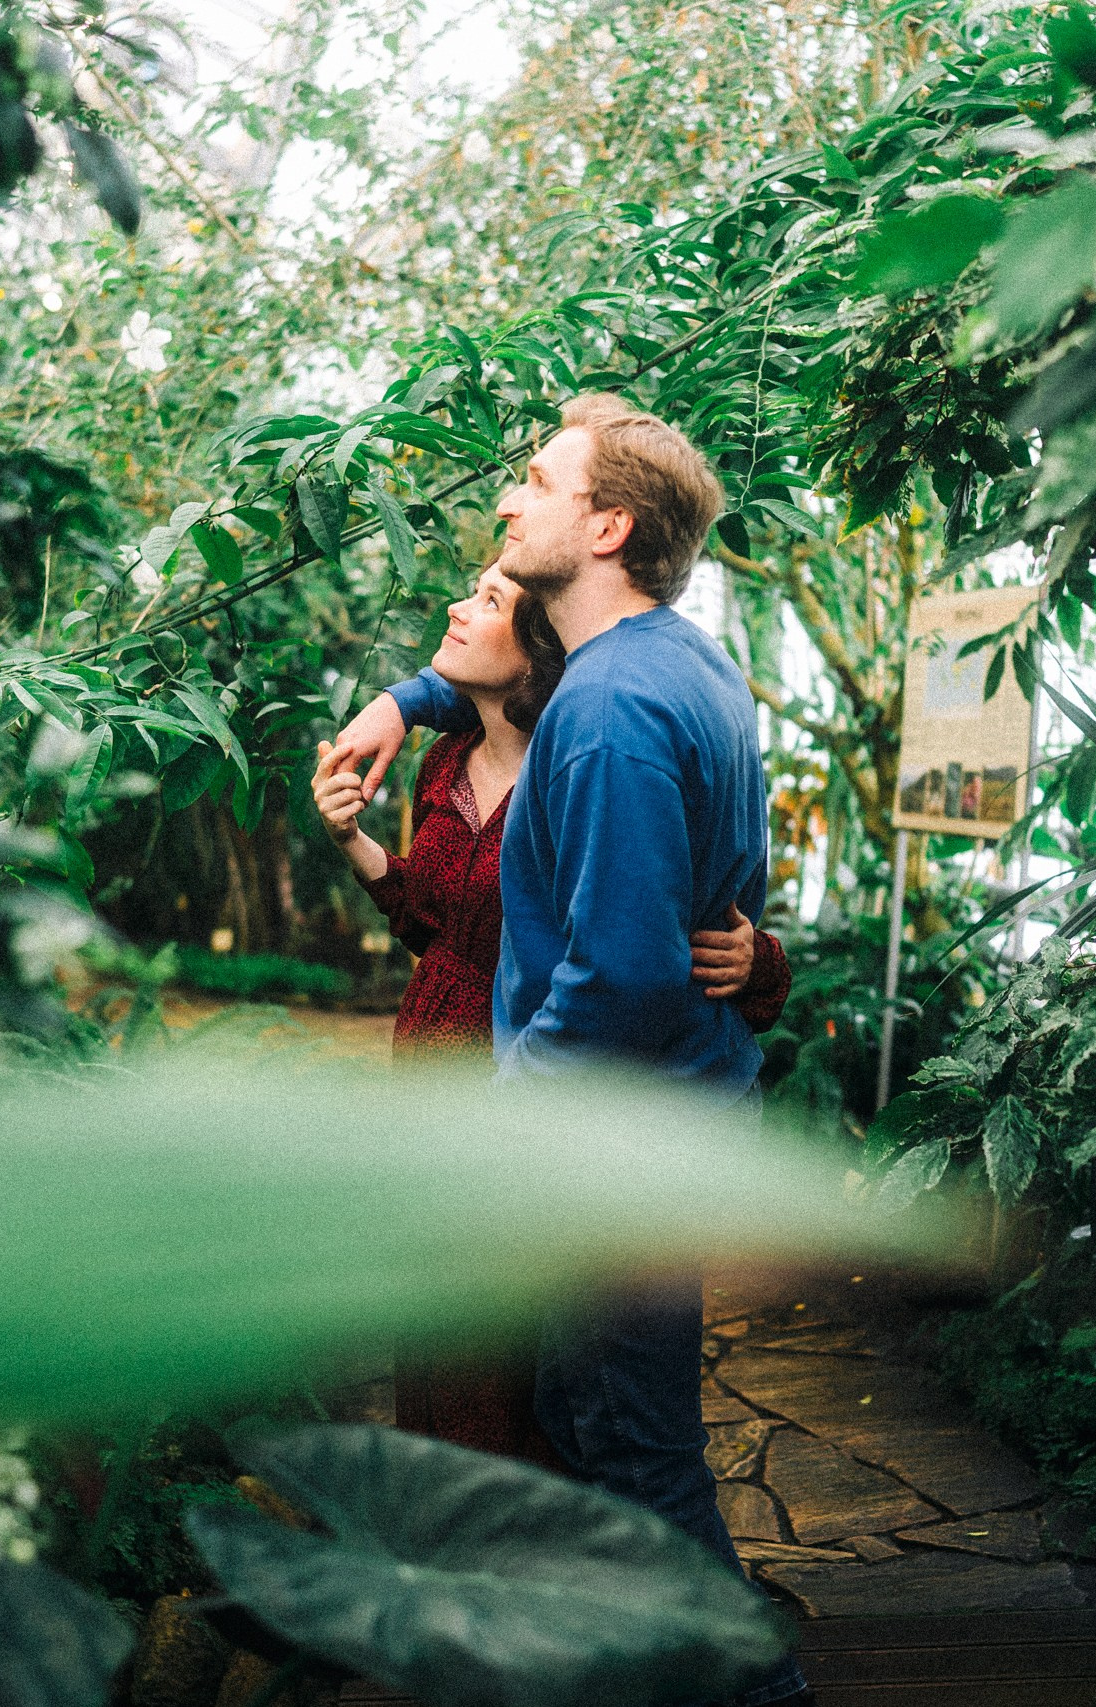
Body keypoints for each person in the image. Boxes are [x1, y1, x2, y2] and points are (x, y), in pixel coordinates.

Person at [327, 396, 812, 1707]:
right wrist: (402, 694)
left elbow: (626, 974)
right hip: (659, 1124)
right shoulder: (683, 663)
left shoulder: (602, 714)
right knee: (596, 1428)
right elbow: (495, 670)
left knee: (634, 1454)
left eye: (536, 484)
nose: (505, 504)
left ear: (608, 525)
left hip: (613, 1145)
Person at [312, 561, 791, 1468]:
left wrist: (758, 959)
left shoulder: (593, 765)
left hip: (530, 1073)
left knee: (523, 1345)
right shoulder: (443, 761)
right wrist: (357, 844)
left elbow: (647, 954)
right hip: (432, 1059)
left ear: (534, 650)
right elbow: (431, 924)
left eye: (487, 601)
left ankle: (525, 1541)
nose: (456, 607)